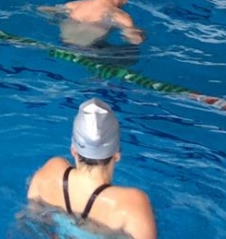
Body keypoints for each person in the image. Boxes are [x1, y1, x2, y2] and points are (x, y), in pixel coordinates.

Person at [27, 98, 156, 239]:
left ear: (73, 150)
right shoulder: (131, 203)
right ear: (117, 155)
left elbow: (30, 221)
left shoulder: (50, 172)